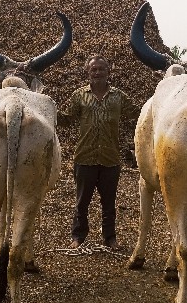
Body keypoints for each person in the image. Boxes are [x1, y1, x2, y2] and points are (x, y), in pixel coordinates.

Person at [57, 54, 140, 249]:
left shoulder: (118, 97)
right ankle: (77, 237)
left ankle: (110, 238)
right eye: (93, 69)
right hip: (84, 157)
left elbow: (138, 113)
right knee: (82, 202)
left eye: (101, 69)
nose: (97, 72)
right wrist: (47, 107)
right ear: (88, 72)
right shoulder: (79, 95)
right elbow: (68, 118)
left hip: (110, 158)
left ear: (108, 72)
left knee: (109, 203)